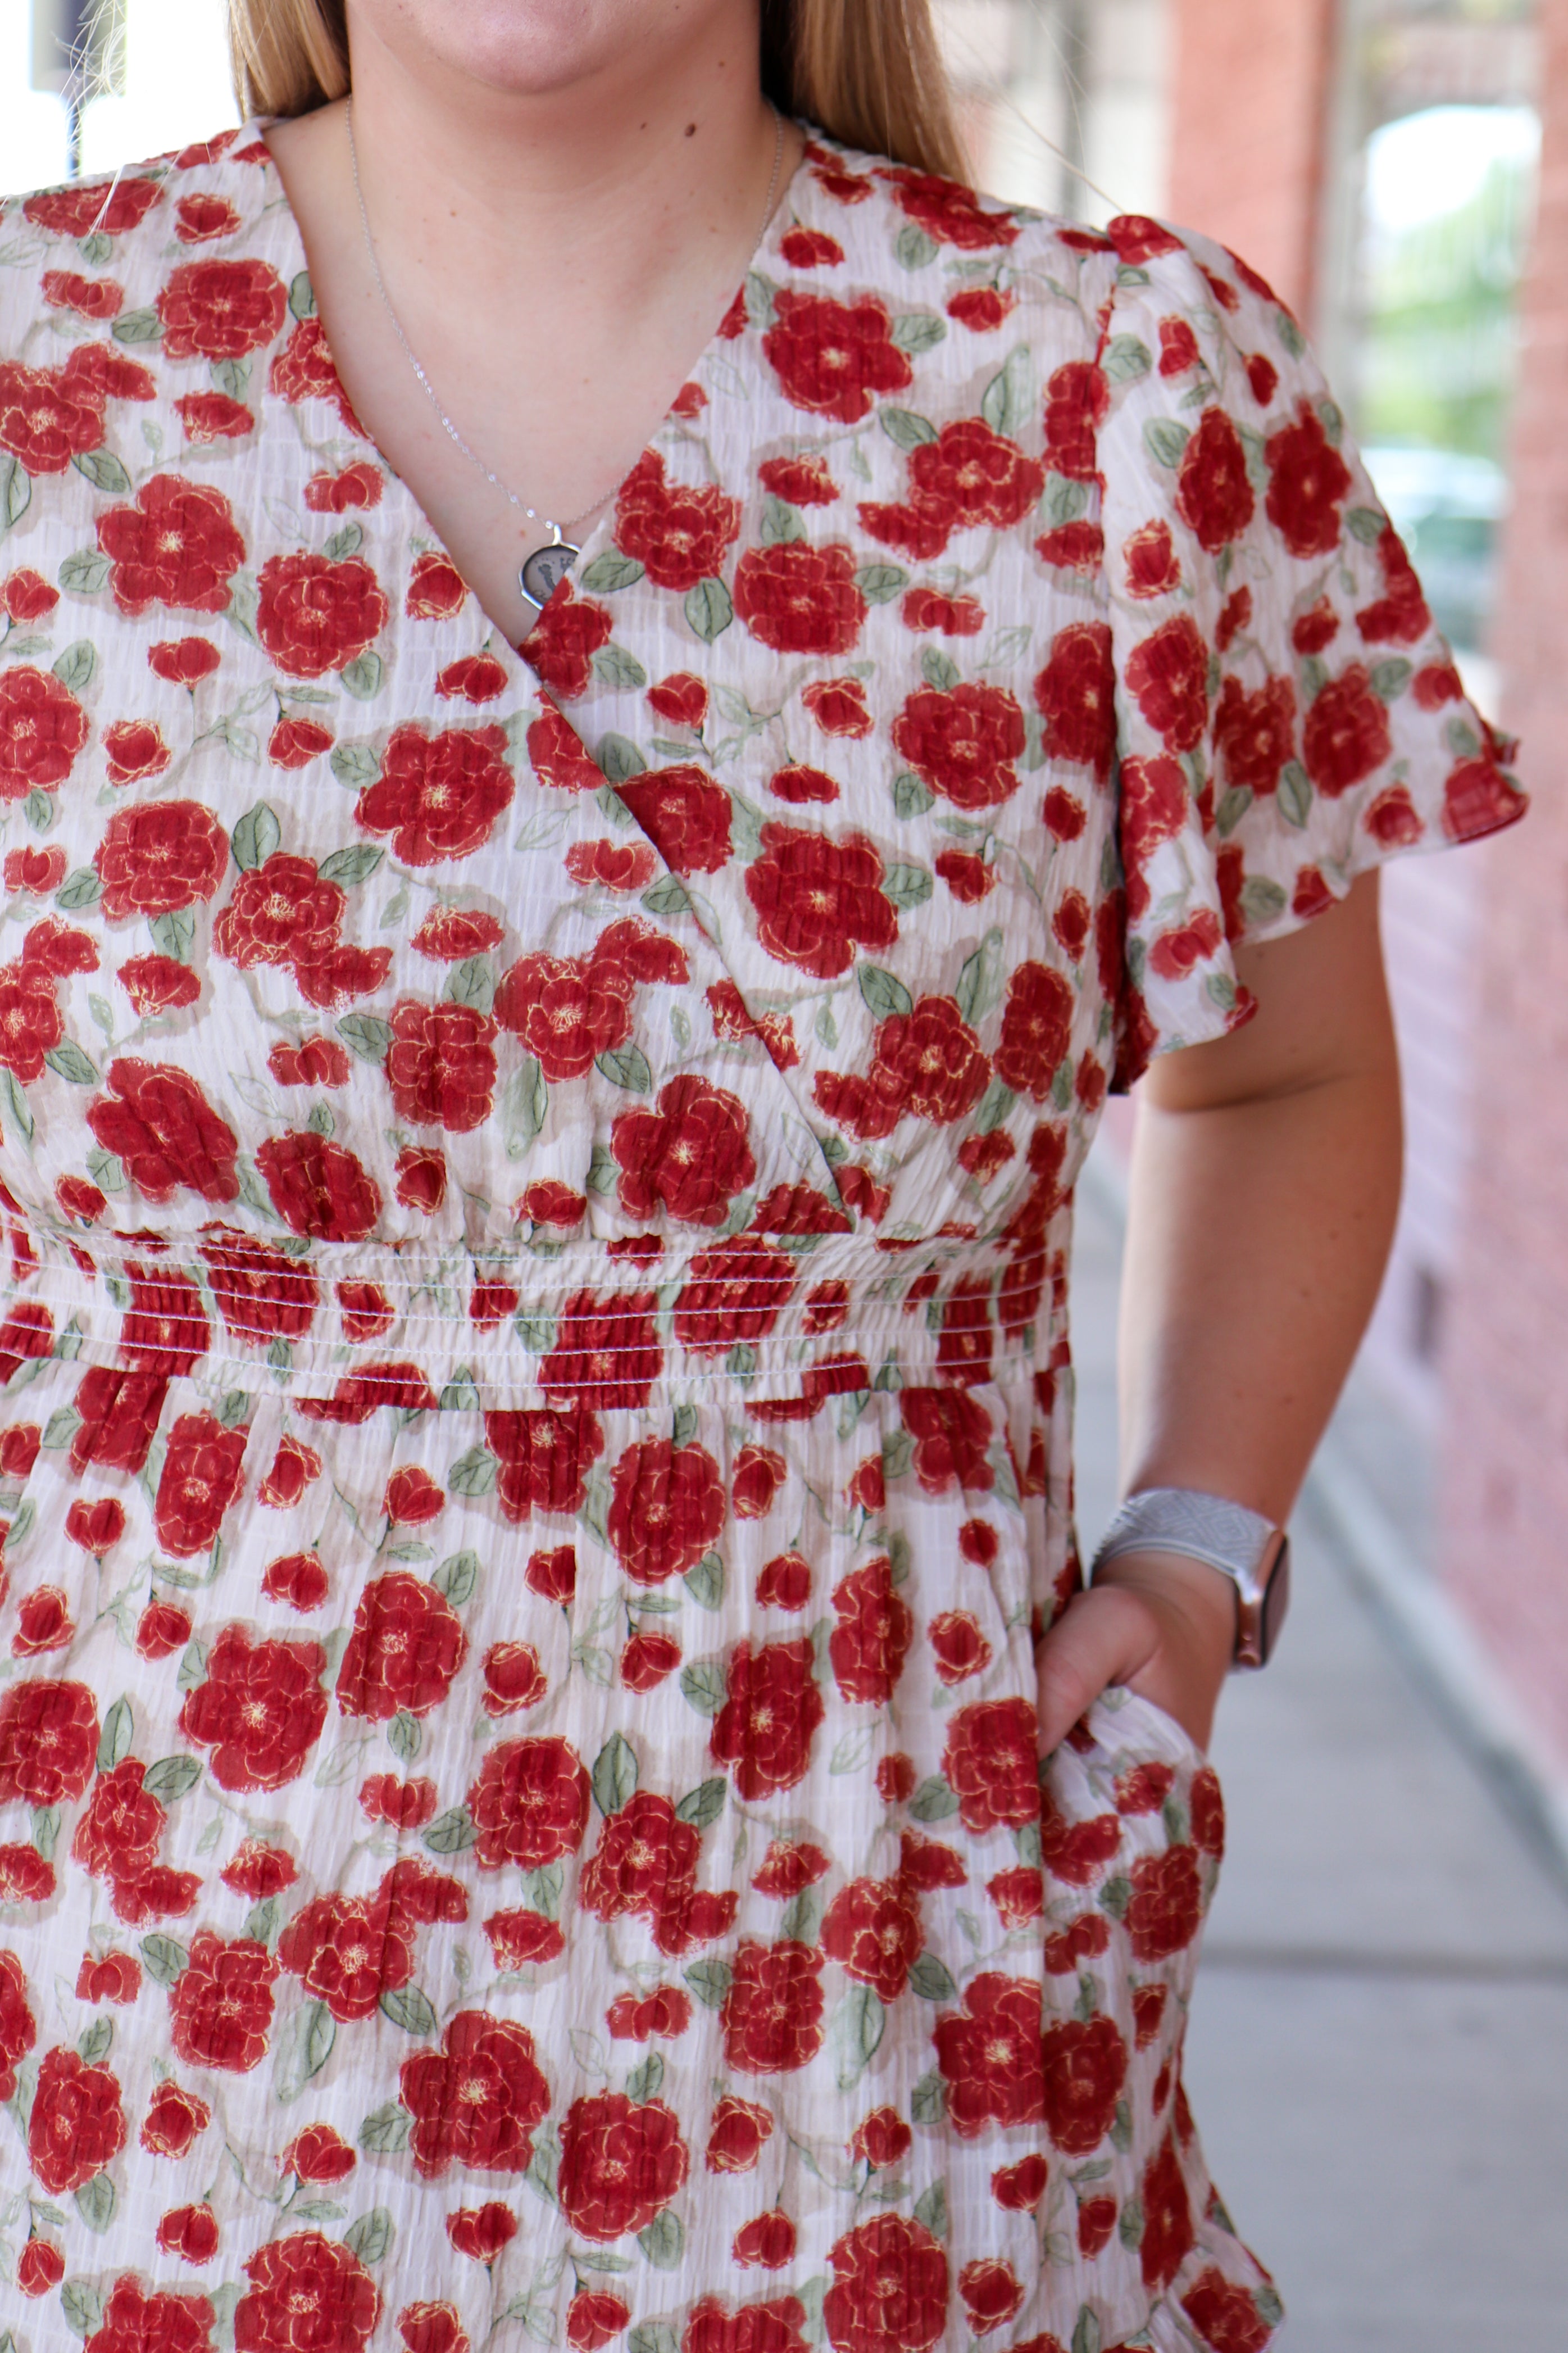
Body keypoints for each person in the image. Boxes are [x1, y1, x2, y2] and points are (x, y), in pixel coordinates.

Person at [0, 1, 1525, 2344]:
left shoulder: (1113, 396)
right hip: (146, 1976)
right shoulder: (33, 372)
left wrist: (1200, 1550)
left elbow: (1280, 1076)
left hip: (864, 1999)